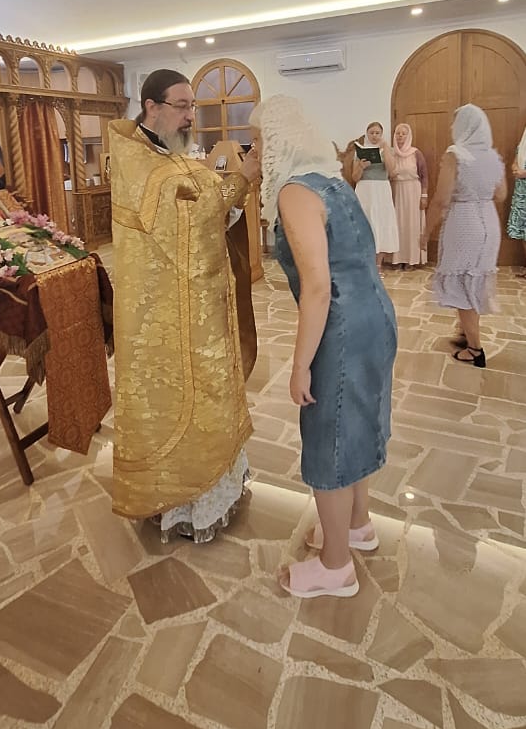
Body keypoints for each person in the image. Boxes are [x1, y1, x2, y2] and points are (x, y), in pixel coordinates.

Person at [250, 96, 397, 599]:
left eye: (260, 141)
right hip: (375, 315)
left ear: (279, 142)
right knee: (355, 426)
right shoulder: (333, 182)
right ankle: (357, 526)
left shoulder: (295, 192)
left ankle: (336, 566)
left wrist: (300, 366)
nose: (255, 151)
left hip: (341, 326)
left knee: (328, 439)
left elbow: (317, 287)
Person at [108, 69, 261, 542]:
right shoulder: (136, 160)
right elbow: (187, 224)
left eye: (193, 105)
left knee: (210, 394)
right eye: (182, 106)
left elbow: (205, 210)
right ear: (151, 107)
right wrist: (239, 182)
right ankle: (180, 501)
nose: (191, 115)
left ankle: (216, 487)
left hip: (197, 304)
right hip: (166, 315)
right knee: (180, 402)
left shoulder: (168, 152)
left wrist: (229, 190)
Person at [422, 104, 506, 367]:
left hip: (464, 223)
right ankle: (465, 332)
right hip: (489, 222)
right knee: (474, 280)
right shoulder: (492, 156)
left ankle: (474, 348)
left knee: (461, 283)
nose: (451, 127)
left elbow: (441, 200)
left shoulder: (455, 154)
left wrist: (425, 232)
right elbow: (501, 194)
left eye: (454, 122)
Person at [352, 121, 399, 269]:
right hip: (365, 190)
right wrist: (361, 166)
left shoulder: (387, 150)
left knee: (382, 222)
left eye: (377, 133)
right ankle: (365, 264)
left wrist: (385, 149)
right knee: (366, 222)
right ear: (367, 134)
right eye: (371, 133)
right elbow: (354, 177)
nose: (374, 136)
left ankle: (378, 264)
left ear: (381, 134)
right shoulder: (360, 152)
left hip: (381, 189)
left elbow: (392, 170)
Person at [390, 123, 429, 268]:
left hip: (413, 191)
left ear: (408, 136)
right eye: (398, 133)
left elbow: (424, 175)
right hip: (396, 190)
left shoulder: (415, 153)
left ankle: (411, 259)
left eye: (403, 133)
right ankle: (397, 258)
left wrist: (424, 195)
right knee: (397, 224)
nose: (400, 136)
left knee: (412, 225)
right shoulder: (390, 153)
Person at [507, 124, 526, 277]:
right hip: (521, 192)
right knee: (523, 231)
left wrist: (524, 173)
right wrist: (514, 166)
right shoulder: (524, 139)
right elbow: (517, 157)